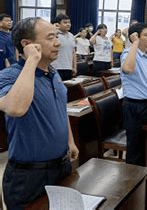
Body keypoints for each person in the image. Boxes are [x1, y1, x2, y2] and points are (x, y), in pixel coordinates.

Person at [0, 17, 79, 209]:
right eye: (50, 37)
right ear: (27, 44)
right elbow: (15, 108)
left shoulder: (52, 72)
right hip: (29, 176)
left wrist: (70, 140)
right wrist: (32, 60)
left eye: (57, 36)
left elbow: (60, 108)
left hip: (61, 165)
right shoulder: (8, 75)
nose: (58, 42)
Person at [120, 23, 147, 166]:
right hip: (136, 107)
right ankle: (132, 182)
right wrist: (135, 44)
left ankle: (144, 177)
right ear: (136, 37)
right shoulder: (128, 53)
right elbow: (128, 68)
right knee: (135, 147)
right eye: (146, 35)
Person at [51, 14, 77, 81]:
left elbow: (73, 52)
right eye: (65, 23)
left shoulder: (71, 36)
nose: (68, 24)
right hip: (55, 67)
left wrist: (74, 67)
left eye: (69, 22)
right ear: (58, 24)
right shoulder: (53, 35)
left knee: (67, 89)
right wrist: (54, 31)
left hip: (68, 67)